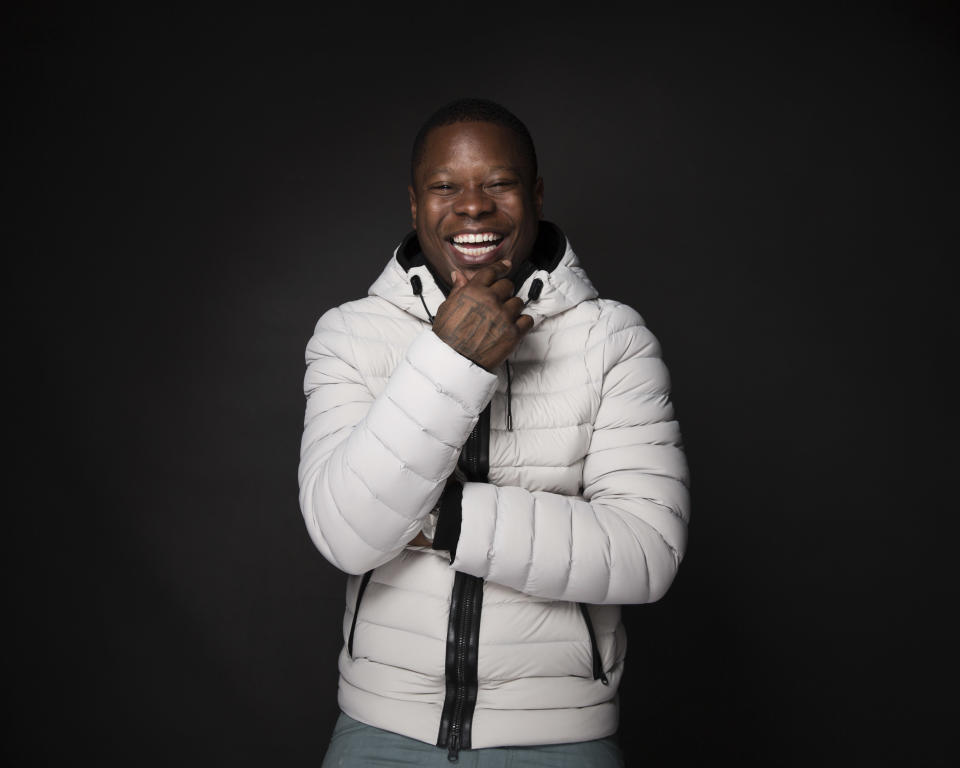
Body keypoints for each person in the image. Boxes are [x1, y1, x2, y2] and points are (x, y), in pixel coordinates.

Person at [298, 97, 690, 766]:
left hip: (560, 738)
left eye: (499, 183)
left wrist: (439, 520)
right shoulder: (349, 334)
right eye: (445, 186)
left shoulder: (612, 338)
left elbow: (646, 552)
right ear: (415, 202)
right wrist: (448, 359)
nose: (473, 206)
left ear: (534, 193)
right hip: (379, 733)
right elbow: (346, 534)